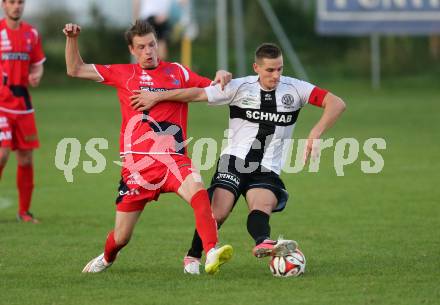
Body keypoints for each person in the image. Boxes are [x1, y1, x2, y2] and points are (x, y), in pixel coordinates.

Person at [130, 43, 346, 274]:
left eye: (280, 69)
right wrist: (157, 96)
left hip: (267, 167)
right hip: (234, 161)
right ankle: (193, 255)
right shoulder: (239, 87)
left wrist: (315, 132)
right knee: (219, 212)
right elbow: (196, 93)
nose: (276, 75)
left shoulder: (296, 89)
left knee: (262, 205)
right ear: (256, 67)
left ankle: (263, 241)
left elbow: (336, 103)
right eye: (270, 70)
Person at [63, 20, 234, 274]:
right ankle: (108, 257)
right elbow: (75, 69)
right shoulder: (124, 74)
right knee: (121, 237)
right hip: (137, 168)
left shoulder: (178, 72)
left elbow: (214, 88)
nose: (149, 51)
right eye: (141, 47)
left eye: (152, 44)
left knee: (199, 193)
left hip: (173, 160)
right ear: (132, 50)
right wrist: (72, 39)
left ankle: (210, 252)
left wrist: (221, 74)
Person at [0, 0, 45, 223]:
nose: (16, 6)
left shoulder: (32, 34)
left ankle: (24, 212)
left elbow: (37, 63)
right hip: (1, 104)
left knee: (26, 159)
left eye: (20, 2)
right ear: (3, 5)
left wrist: (37, 73)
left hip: (24, 104)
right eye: (11, 2)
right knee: (2, 154)